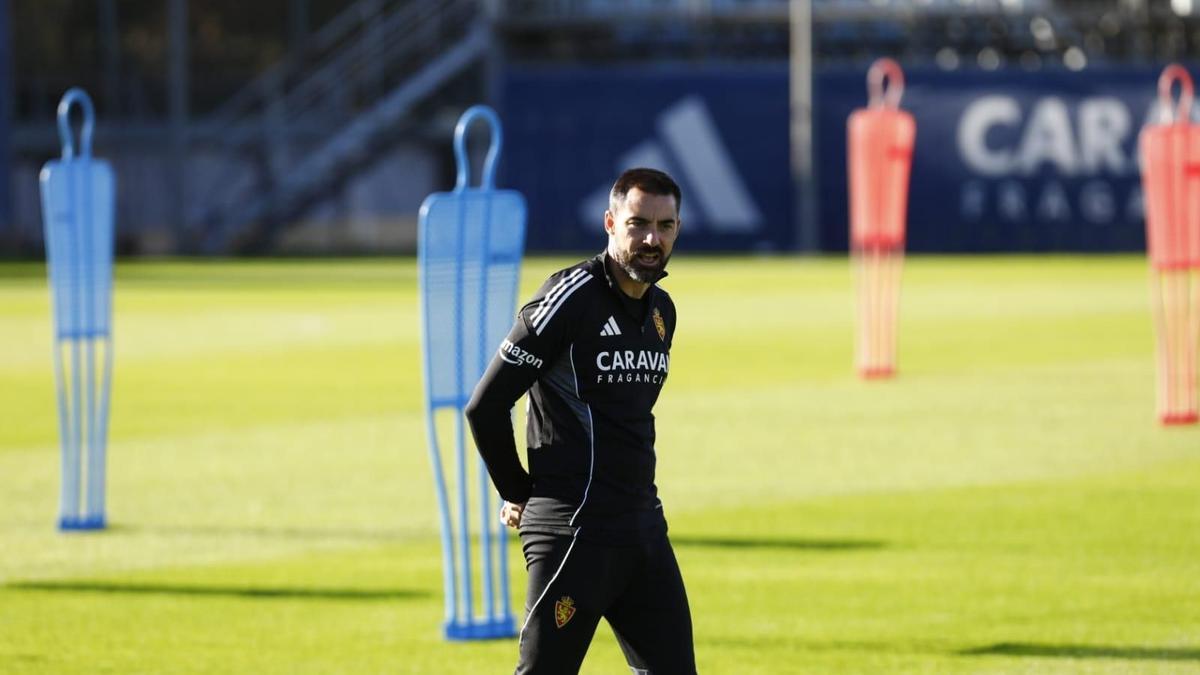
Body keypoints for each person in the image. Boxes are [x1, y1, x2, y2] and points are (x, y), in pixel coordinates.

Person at [465, 167, 696, 675]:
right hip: (573, 534)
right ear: (610, 223)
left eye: (665, 226)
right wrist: (516, 490)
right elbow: (485, 405)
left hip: (642, 531)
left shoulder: (662, 313)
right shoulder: (569, 298)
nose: (652, 239)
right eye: (638, 224)